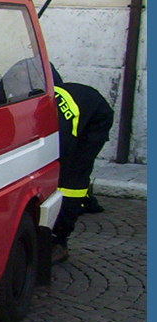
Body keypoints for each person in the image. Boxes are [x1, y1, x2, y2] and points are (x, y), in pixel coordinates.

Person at [50, 68, 115, 264]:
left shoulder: (61, 133)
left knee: (71, 180)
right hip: (79, 105)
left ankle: (60, 242)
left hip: (96, 118)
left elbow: (65, 163)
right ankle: (88, 201)